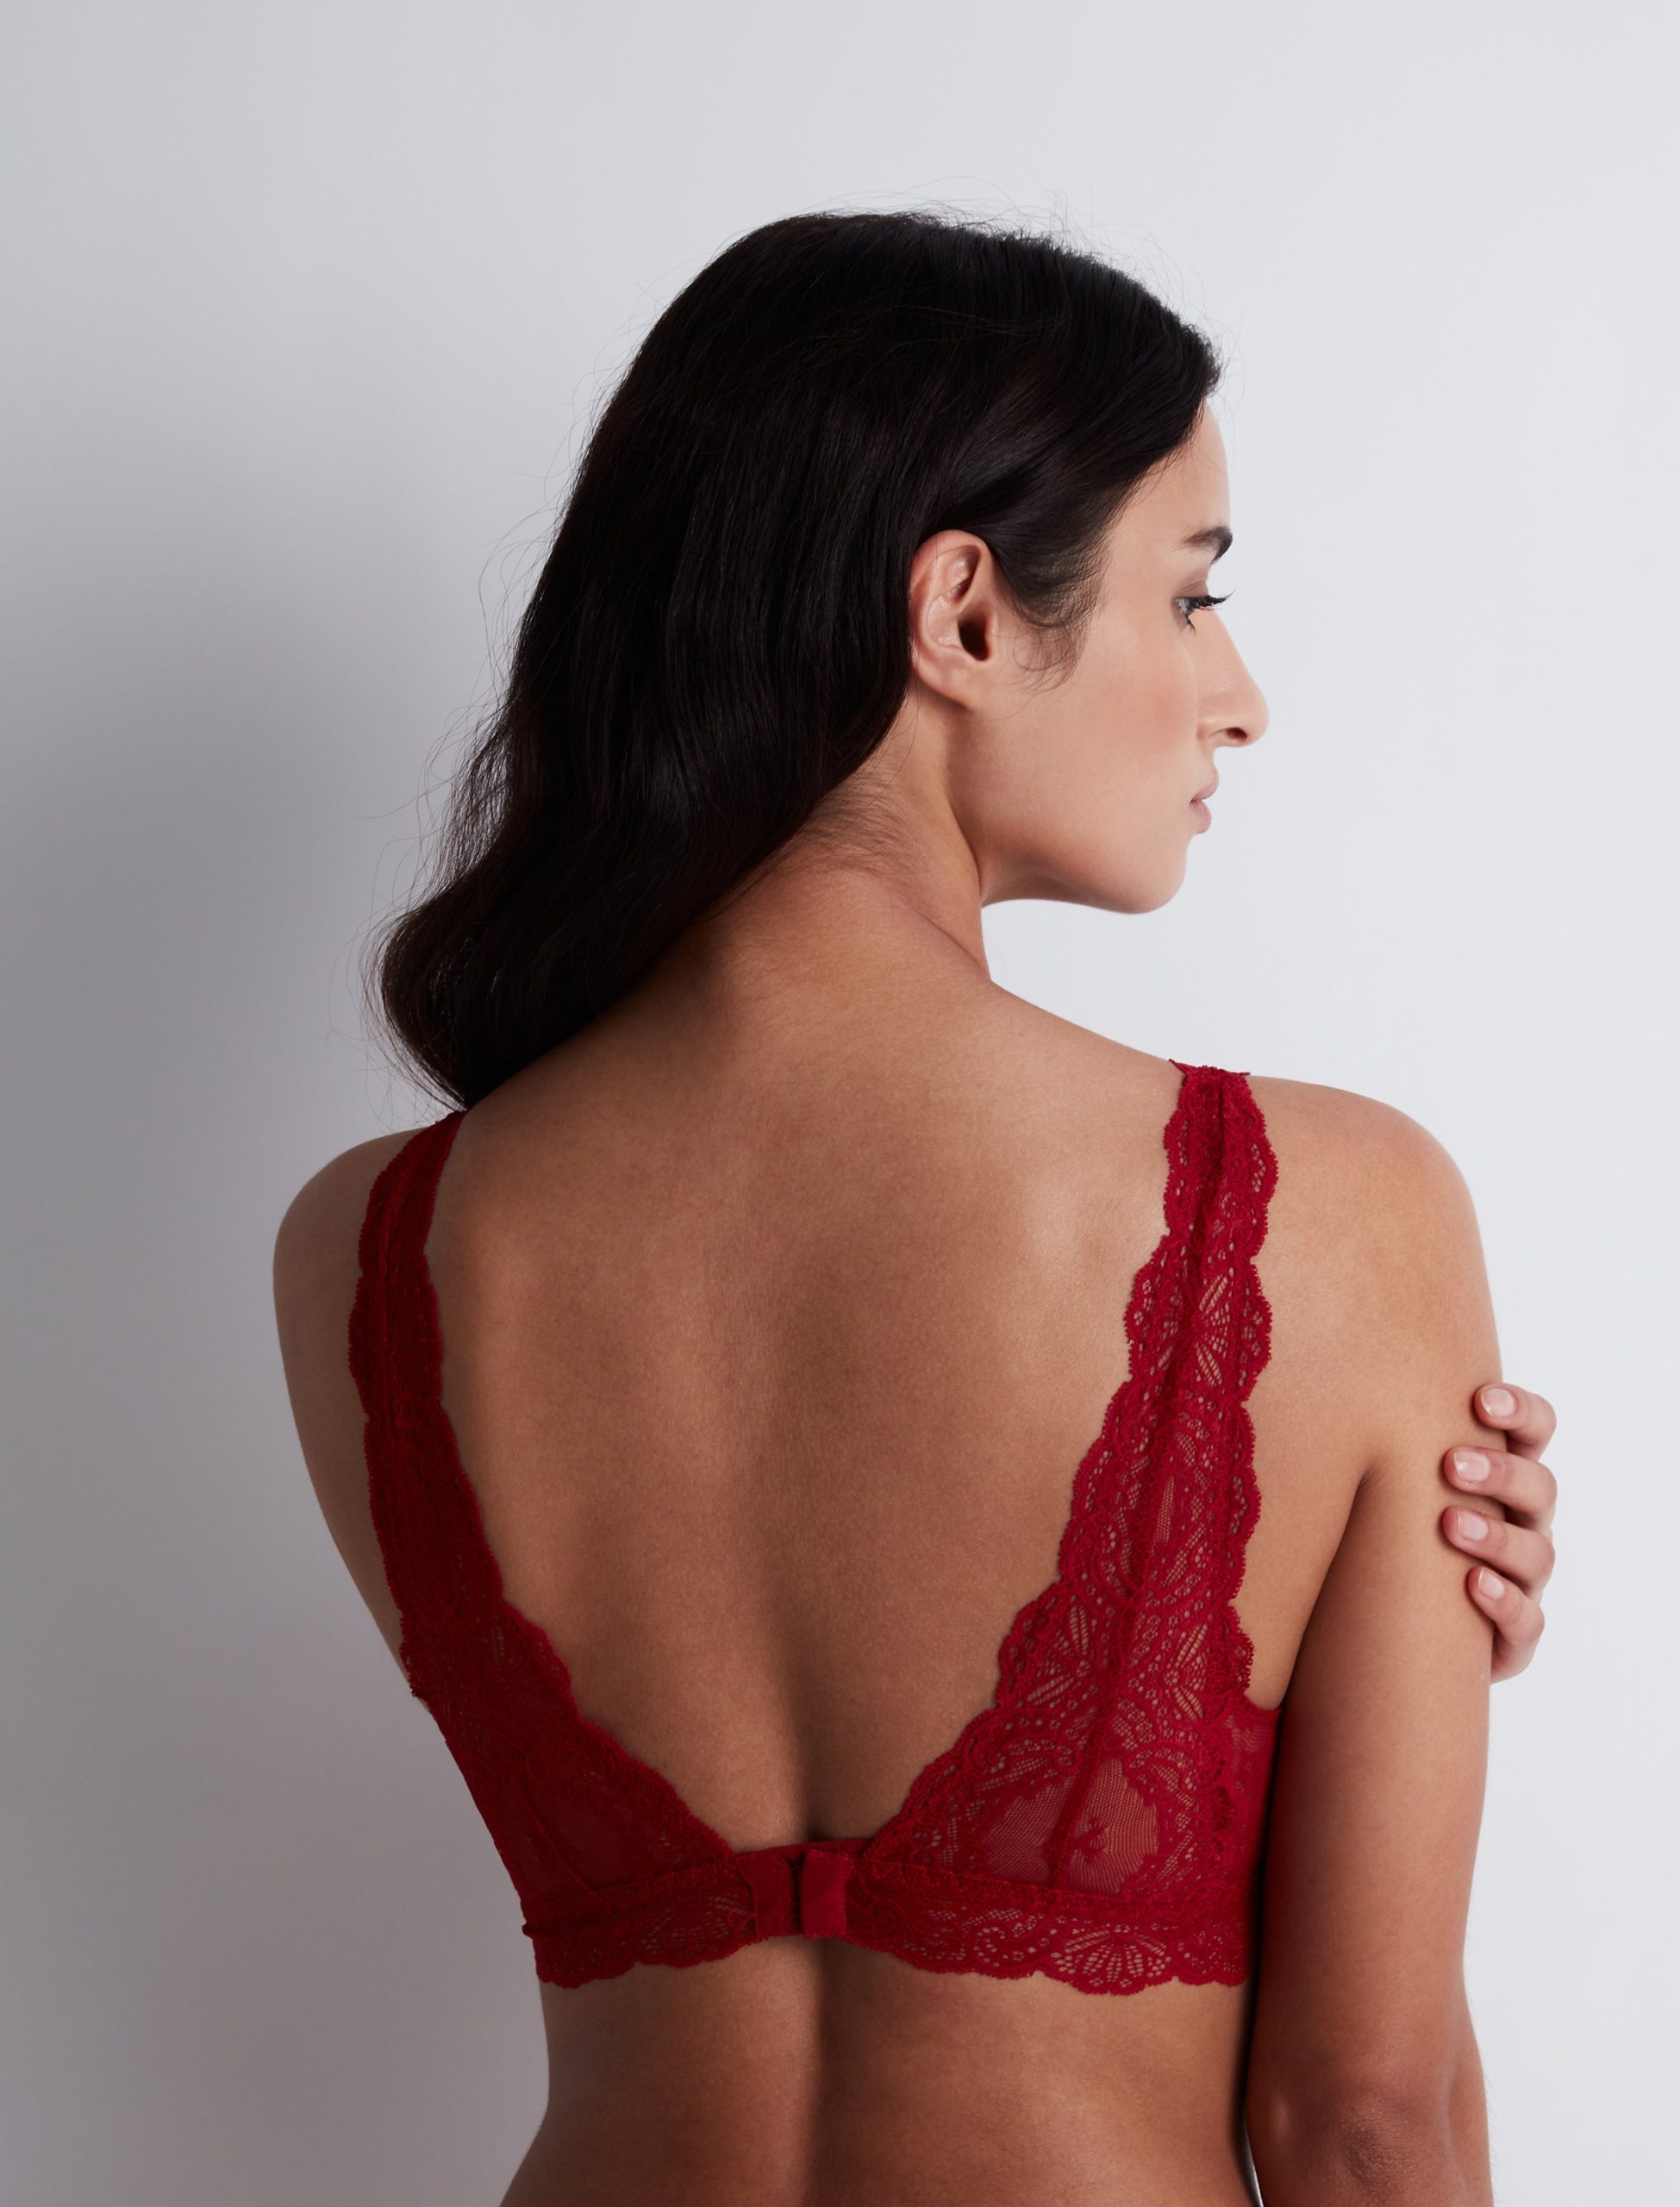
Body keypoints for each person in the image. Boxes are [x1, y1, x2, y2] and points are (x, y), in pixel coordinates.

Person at [272, 209, 1558, 2206]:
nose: (1235, 697)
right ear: (958, 613)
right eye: (1188, 593)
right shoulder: (1324, 1212)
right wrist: (1372, 1686)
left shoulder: (374, 1254)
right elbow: (1364, 2120)